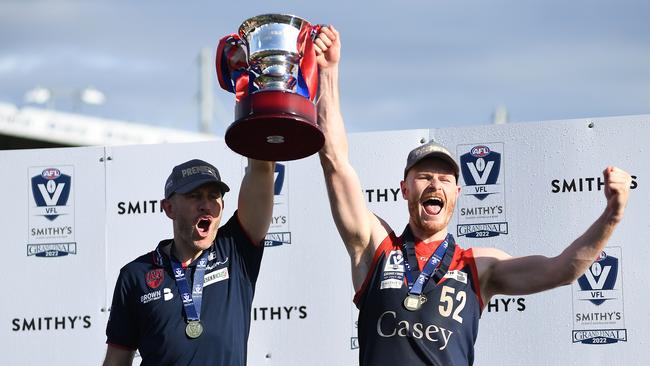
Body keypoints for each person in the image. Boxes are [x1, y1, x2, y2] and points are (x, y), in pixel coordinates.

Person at [313, 26, 632, 365]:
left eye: (445, 179)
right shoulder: (376, 246)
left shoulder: (477, 265)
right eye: (423, 176)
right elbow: (335, 161)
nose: (435, 184)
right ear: (405, 188)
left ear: (458, 193)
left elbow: (562, 269)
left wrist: (612, 215)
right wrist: (329, 73)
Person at [102, 158, 275, 365]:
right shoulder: (136, 275)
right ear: (169, 208)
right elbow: (116, 361)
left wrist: (259, 134)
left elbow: (262, 169)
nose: (206, 206)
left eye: (213, 196)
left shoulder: (236, 249)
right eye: (195, 196)